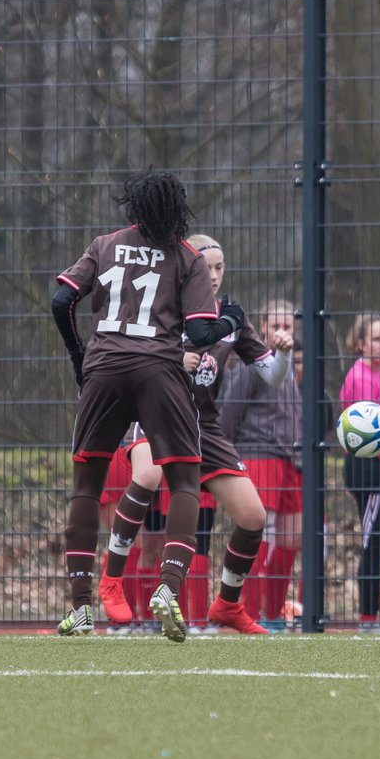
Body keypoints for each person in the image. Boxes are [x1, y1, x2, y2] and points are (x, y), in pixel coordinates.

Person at [51, 168, 245, 642]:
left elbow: (61, 300)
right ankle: (168, 589)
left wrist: (81, 356)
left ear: (134, 206)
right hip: (159, 370)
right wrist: (231, 321)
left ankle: (80, 608)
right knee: (183, 480)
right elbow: (200, 334)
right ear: (180, 210)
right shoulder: (187, 256)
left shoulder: (104, 244)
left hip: (105, 368)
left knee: (87, 485)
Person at [96, 233, 293, 635]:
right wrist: (170, 358)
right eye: (207, 267)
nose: (215, 275)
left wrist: (284, 352)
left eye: (220, 267)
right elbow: (123, 355)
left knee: (252, 517)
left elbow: (272, 376)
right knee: (148, 476)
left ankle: (226, 606)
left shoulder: (229, 318)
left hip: (203, 424)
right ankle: (111, 577)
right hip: (152, 413)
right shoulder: (158, 308)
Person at [219, 298, 302, 630]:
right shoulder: (252, 367)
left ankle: (274, 610)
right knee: (259, 536)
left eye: (289, 326)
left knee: (292, 538)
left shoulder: (291, 367)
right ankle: (249, 612)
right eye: (276, 326)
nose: (283, 332)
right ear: (263, 328)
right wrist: (226, 455)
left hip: (290, 460)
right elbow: (228, 415)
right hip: (257, 456)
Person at [340, 313, 380, 626]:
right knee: (374, 544)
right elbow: (366, 435)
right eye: (377, 339)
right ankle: (368, 618)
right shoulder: (360, 376)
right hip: (368, 469)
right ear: (361, 344)